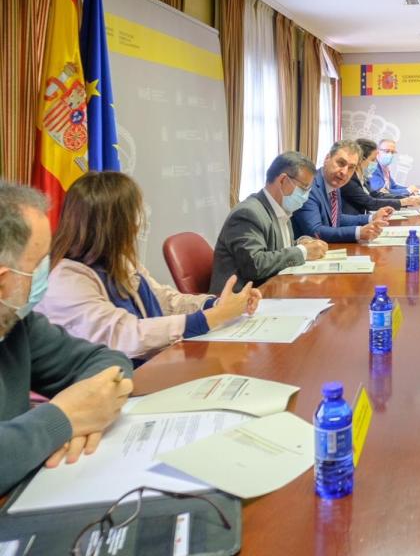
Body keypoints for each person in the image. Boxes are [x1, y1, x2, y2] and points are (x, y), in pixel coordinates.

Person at [37, 173, 261, 364]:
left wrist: (217, 303)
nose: (139, 223)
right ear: (113, 225)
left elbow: (165, 301)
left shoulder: (118, 259)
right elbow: (126, 335)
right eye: (135, 214)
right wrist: (212, 317)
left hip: (152, 365)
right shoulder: (66, 280)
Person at [0, 181, 134, 494]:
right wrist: (64, 419)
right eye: (40, 264)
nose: (49, 273)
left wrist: (91, 406)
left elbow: (105, 359)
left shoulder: (18, 323)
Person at [210, 151, 328, 293]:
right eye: (303, 188)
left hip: (273, 291)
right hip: (241, 301)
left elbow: (276, 249)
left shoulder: (281, 208)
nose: (306, 196)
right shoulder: (248, 213)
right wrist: (302, 252)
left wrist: (301, 244)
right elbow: (255, 265)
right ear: (283, 180)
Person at [293, 140, 391, 243]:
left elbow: (336, 218)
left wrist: (371, 218)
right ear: (327, 158)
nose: (344, 172)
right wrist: (358, 232)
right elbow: (315, 231)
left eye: (351, 167)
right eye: (341, 163)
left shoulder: (334, 183)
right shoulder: (309, 186)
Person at [340, 139, 420, 216]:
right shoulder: (350, 180)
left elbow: (376, 195)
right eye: (373, 159)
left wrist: (406, 199)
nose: (375, 163)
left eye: (393, 152)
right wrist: (404, 201)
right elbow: (370, 202)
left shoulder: (363, 177)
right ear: (361, 159)